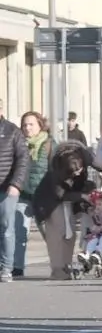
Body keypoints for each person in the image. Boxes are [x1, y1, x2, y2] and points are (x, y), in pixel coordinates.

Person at [30, 142, 102, 279]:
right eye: (73, 172)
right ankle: (58, 270)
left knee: (70, 235)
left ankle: (67, 266)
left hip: (68, 199)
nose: (78, 173)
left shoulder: (85, 157)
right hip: (49, 202)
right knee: (57, 234)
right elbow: (60, 194)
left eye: (80, 169)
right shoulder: (55, 173)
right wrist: (83, 196)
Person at [13, 112, 53, 280]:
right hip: (23, 194)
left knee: (48, 233)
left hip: (43, 195)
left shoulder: (49, 144)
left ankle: (58, 265)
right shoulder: (18, 144)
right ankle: (17, 267)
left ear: (40, 125)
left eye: (31, 124)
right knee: (18, 232)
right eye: (24, 125)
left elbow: (55, 168)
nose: (27, 128)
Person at [0, 100, 28, 284]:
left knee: (6, 229)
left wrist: (16, 184)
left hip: (6, 187)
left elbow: (23, 159)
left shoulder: (12, 131)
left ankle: (6, 269)